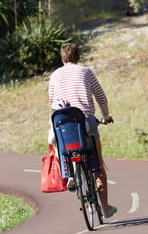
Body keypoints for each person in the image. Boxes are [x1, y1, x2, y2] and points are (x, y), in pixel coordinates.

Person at [48, 42, 117, 219]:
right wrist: (106, 116)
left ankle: (69, 173)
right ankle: (106, 207)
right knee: (98, 165)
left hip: (62, 124)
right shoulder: (86, 72)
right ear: (78, 56)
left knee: (61, 145)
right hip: (85, 120)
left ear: (62, 57)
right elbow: (101, 97)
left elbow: (51, 102)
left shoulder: (55, 75)